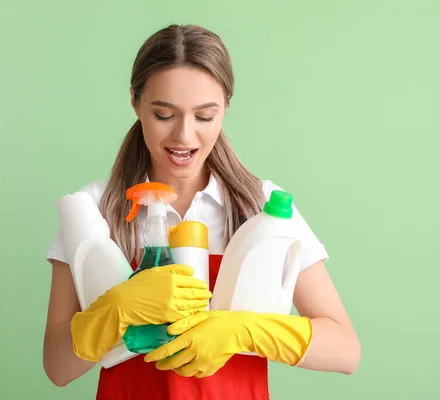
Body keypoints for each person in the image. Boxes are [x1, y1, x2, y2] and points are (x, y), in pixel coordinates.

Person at [43, 24, 361, 400]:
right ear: (135, 102)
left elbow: (345, 350)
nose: (184, 136)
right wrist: (112, 313)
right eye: (164, 115)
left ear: (226, 105)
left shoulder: (262, 208)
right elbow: (57, 367)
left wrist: (244, 331)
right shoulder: (93, 212)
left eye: (204, 116)